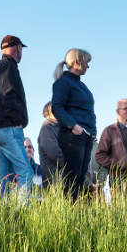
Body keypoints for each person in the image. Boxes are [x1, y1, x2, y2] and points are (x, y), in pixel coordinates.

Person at [0, 35, 32, 198]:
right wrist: (17, 121)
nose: (21, 54)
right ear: (17, 48)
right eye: (20, 49)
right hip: (9, 129)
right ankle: (22, 214)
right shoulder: (8, 66)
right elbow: (8, 96)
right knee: (26, 173)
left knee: (5, 176)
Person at [51, 48, 96, 199]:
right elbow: (56, 107)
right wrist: (73, 125)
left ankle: (77, 213)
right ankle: (68, 212)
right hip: (73, 136)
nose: (88, 66)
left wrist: (92, 132)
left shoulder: (82, 86)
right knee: (72, 177)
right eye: (86, 62)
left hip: (86, 136)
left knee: (81, 177)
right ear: (77, 61)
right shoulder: (63, 83)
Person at [95, 98, 127, 183]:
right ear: (118, 111)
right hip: (120, 180)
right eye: (126, 108)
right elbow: (99, 156)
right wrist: (120, 165)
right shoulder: (109, 131)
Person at [37, 102, 64, 191]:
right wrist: (71, 165)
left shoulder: (59, 128)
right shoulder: (47, 128)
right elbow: (54, 153)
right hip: (54, 181)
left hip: (62, 179)